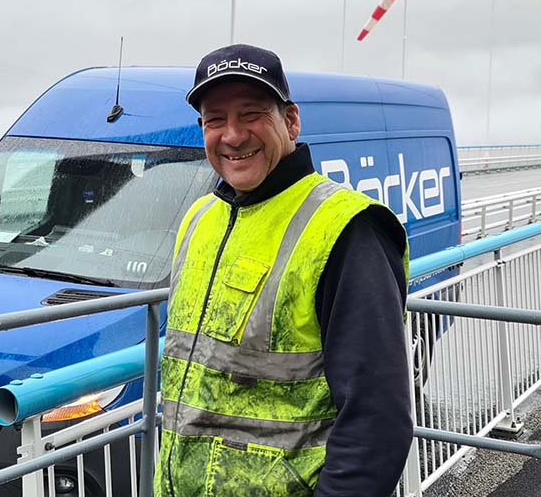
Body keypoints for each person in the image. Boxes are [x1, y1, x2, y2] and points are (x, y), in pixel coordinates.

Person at [155, 43, 414, 496]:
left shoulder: (347, 229)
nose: (232, 136)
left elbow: (378, 419)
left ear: (290, 121)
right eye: (215, 120)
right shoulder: (199, 220)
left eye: (251, 114)